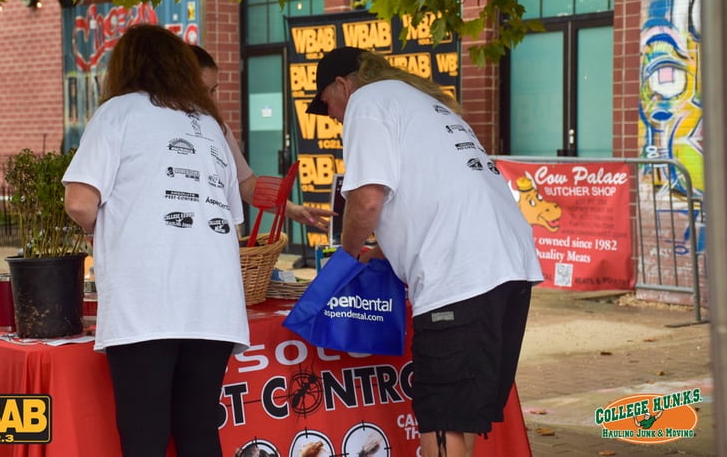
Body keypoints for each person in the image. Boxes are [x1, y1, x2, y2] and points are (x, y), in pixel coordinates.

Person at [307, 46, 544, 457]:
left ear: (343, 85)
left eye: (327, 104)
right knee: (458, 416)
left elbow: (366, 201)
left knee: (441, 418)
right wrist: (384, 251)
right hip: (510, 269)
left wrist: (341, 262)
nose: (331, 117)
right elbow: (432, 196)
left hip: (460, 275)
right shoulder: (422, 103)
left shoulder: (368, 100)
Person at [62, 24, 248, 457]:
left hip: (146, 302)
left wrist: (103, 232)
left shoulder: (119, 112)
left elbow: (78, 201)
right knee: (199, 430)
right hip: (215, 305)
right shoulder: (210, 125)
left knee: (143, 435)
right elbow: (228, 216)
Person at [190, 45, 335, 232]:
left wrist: (292, 210)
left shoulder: (220, 130)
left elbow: (248, 185)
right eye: (204, 92)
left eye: (214, 91)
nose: (212, 101)